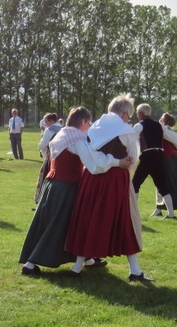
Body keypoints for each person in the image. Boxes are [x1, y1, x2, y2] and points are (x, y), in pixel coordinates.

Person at [21, 107, 130, 276]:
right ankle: (30, 264)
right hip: (66, 187)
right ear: (83, 122)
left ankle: (88, 259)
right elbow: (94, 163)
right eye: (89, 122)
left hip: (52, 184)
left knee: (49, 223)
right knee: (58, 225)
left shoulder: (62, 133)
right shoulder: (76, 139)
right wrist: (117, 162)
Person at [65, 94, 151, 282]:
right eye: (128, 115)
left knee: (88, 218)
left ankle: (77, 267)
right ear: (125, 113)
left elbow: (89, 153)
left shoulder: (94, 127)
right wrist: (120, 162)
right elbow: (133, 157)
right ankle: (135, 269)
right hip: (115, 179)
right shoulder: (125, 130)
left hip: (92, 178)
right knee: (124, 219)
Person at [131, 103, 174, 218]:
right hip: (159, 155)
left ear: (140, 114)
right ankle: (171, 213)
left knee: (135, 183)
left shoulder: (139, 126)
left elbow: (133, 142)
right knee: (162, 185)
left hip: (147, 156)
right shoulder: (159, 125)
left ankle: (132, 210)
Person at [35, 113, 61, 205]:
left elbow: (42, 145)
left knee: (46, 179)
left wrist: (42, 150)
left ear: (51, 121)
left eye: (46, 121)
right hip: (61, 160)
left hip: (50, 158)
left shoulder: (49, 130)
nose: (44, 123)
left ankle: (43, 200)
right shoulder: (62, 128)